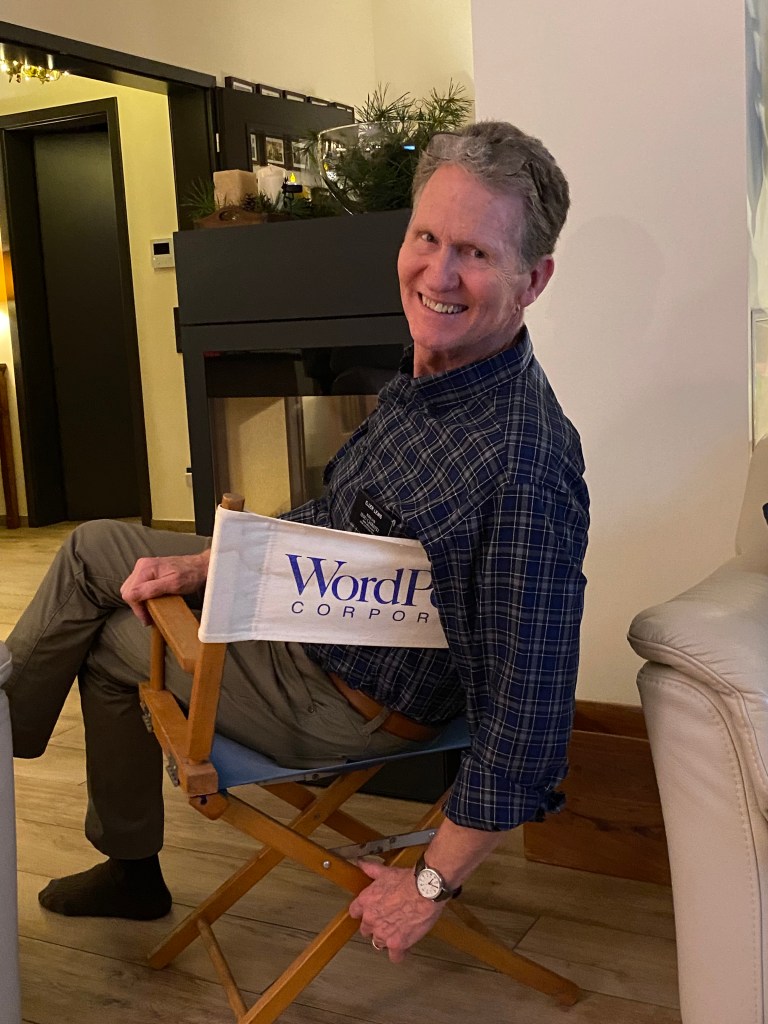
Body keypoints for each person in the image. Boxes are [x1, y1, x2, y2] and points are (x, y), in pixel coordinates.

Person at [3, 120, 589, 962]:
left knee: (105, 642)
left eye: (476, 253)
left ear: (533, 280)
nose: (438, 274)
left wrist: (428, 883)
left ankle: (124, 862)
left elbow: (530, 714)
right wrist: (207, 564)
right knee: (97, 548)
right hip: (312, 618)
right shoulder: (435, 372)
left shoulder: (523, 462)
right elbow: (344, 513)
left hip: (342, 698)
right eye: (427, 237)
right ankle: (40, 765)